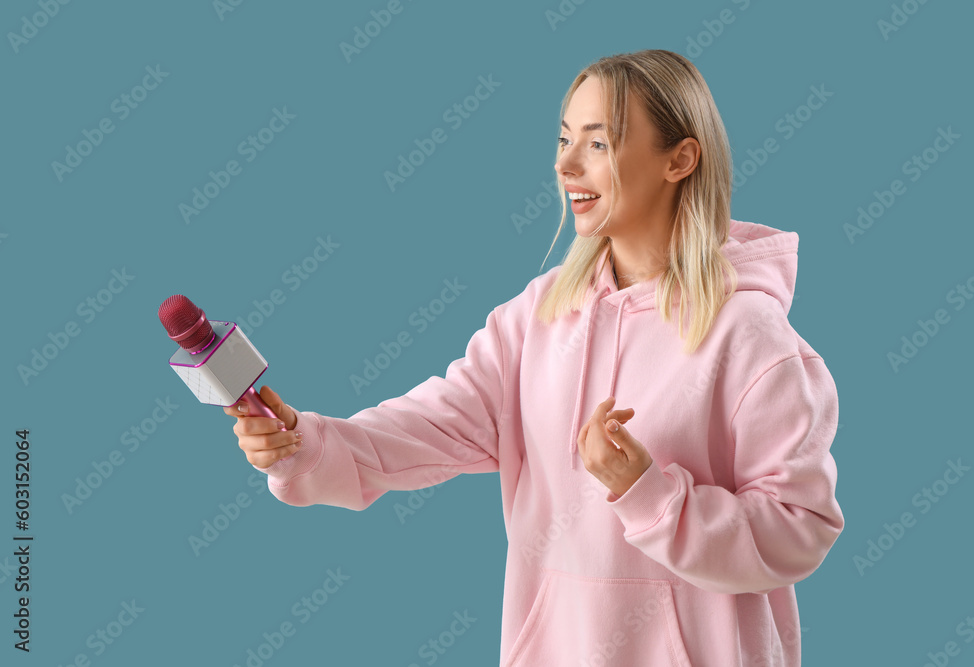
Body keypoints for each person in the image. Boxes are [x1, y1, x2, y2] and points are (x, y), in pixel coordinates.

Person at [224, 49, 845, 667]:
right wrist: (306, 444)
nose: (565, 163)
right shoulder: (539, 315)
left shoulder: (749, 335)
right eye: (565, 138)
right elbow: (429, 426)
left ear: (679, 159)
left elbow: (800, 528)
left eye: (598, 144)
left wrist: (649, 494)